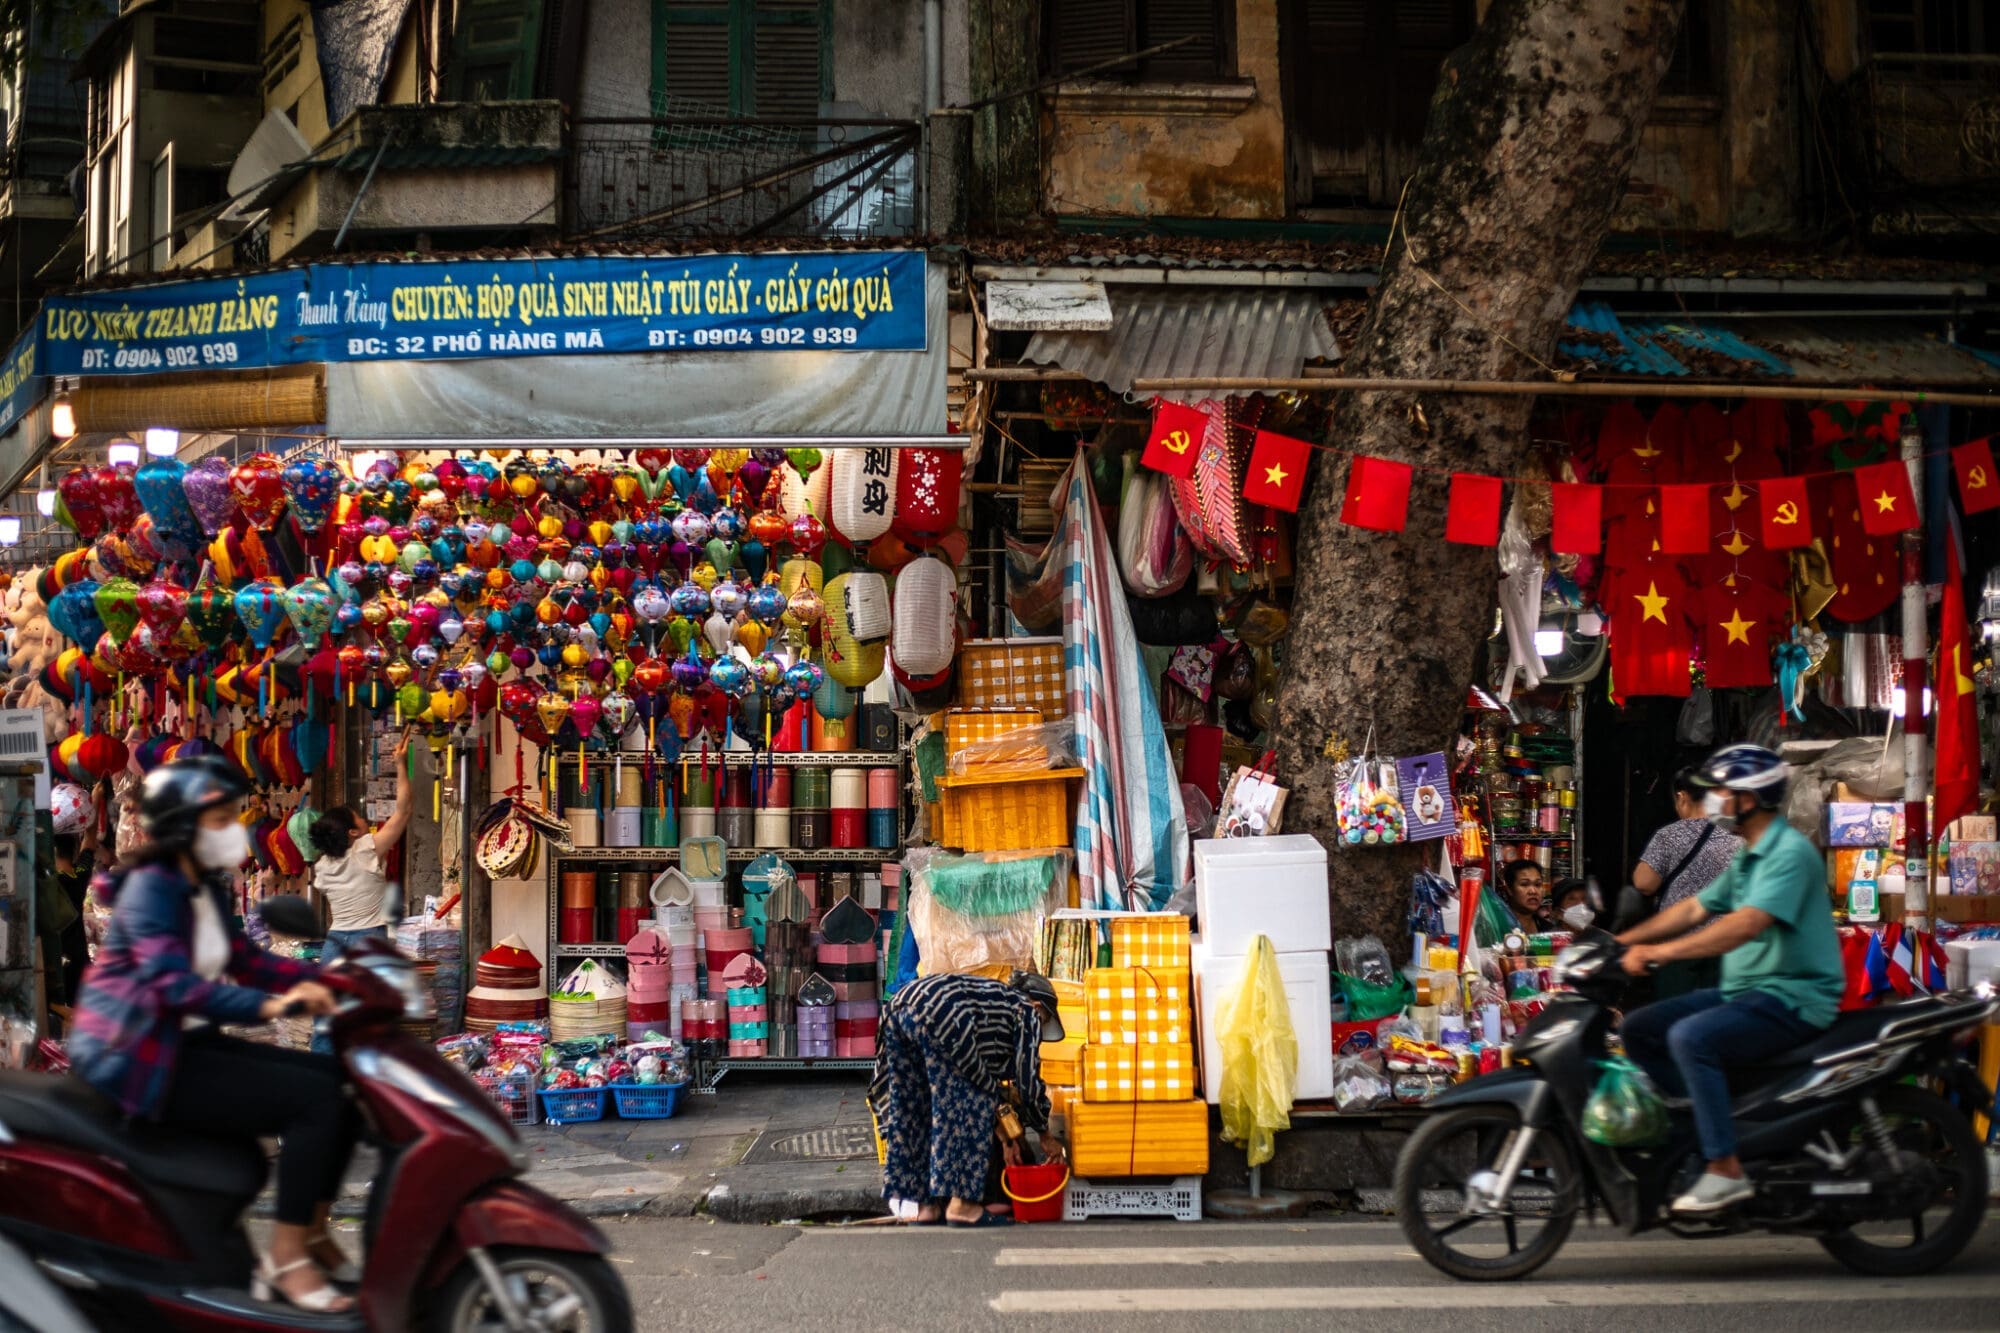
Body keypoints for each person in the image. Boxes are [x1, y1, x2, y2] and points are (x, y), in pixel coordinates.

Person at [65, 756, 359, 1313]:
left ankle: (315, 1231)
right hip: (136, 1058)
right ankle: (288, 1258)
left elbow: (247, 962)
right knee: (315, 1099)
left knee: (338, 1080)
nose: (237, 829)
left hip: (179, 1043)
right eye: (222, 817)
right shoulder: (153, 889)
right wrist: (275, 1004)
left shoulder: (204, 886)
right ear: (184, 826)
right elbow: (172, 986)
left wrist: (334, 978)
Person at [1615, 744, 1845, 1218]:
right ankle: (1693, 1139)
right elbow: (1695, 907)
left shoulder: (1788, 853)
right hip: (1746, 992)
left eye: (1721, 791)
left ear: (1746, 799)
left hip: (1791, 995)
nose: (1712, 800)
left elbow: (1744, 925)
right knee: (1639, 1029)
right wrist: (1621, 943)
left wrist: (1657, 953)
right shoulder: (1747, 855)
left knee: (1689, 1038)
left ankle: (1724, 1168)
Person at [872, 970, 1062, 1227]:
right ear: (1037, 1005)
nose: (1040, 1026)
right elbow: (1027, 1080)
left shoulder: (995, 1001)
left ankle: (927, 1205)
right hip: (942, 1012)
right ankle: (963, 1206)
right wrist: (1045, 1134)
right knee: (967, 1102)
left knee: (917, 1106)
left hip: (898, 1008)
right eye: (1044, 1018)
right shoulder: (1026, 1010)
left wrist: (1006, 1135)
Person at [306, 731, 414, 1054]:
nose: (364, 817)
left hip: (335, 941)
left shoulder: (322, 866)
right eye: (358, 817)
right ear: (352, 832)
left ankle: (322, 1074)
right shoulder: (366, 850)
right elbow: (404, 812)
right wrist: (401, 765)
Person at [1631, 766, 1743, 996]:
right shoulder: (1737, 840)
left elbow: (1644, 883)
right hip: (1724, 948)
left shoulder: (1668, 836)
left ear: (1682, 797)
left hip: (1678, 947)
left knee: (1674, 1016)